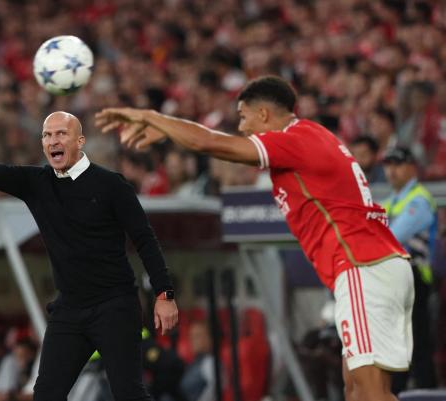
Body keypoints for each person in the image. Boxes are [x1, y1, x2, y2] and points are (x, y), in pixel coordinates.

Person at [96, 76, 412, 401]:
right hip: (377, 266)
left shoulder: (296, 138)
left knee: (371, 393)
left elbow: (211, 143)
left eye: (244, 117)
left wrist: (153, 117)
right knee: (357, 390)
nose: (243, 128)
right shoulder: (312, 140)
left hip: (362, 267)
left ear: (264, 114)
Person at [0, 110, 179, 401]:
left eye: (61, 134)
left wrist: (164, 293)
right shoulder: (36, 183)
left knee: (129, 394)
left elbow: (145, 240)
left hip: (114, 305)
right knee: (45, 396)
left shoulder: (111, 185)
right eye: (47, 135)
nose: (53, 140)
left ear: (80, 141)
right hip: (70, 311)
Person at [382, 146, 438, 393]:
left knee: (418, 340)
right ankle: (398, 393)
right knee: (398, 342)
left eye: (398, 164)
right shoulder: (391, 201)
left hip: (415, 277)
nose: (392, 170)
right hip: (394, 278)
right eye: (388, 164)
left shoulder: (419, 199)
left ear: (412, 167)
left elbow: (392, 235)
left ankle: (426, 392)